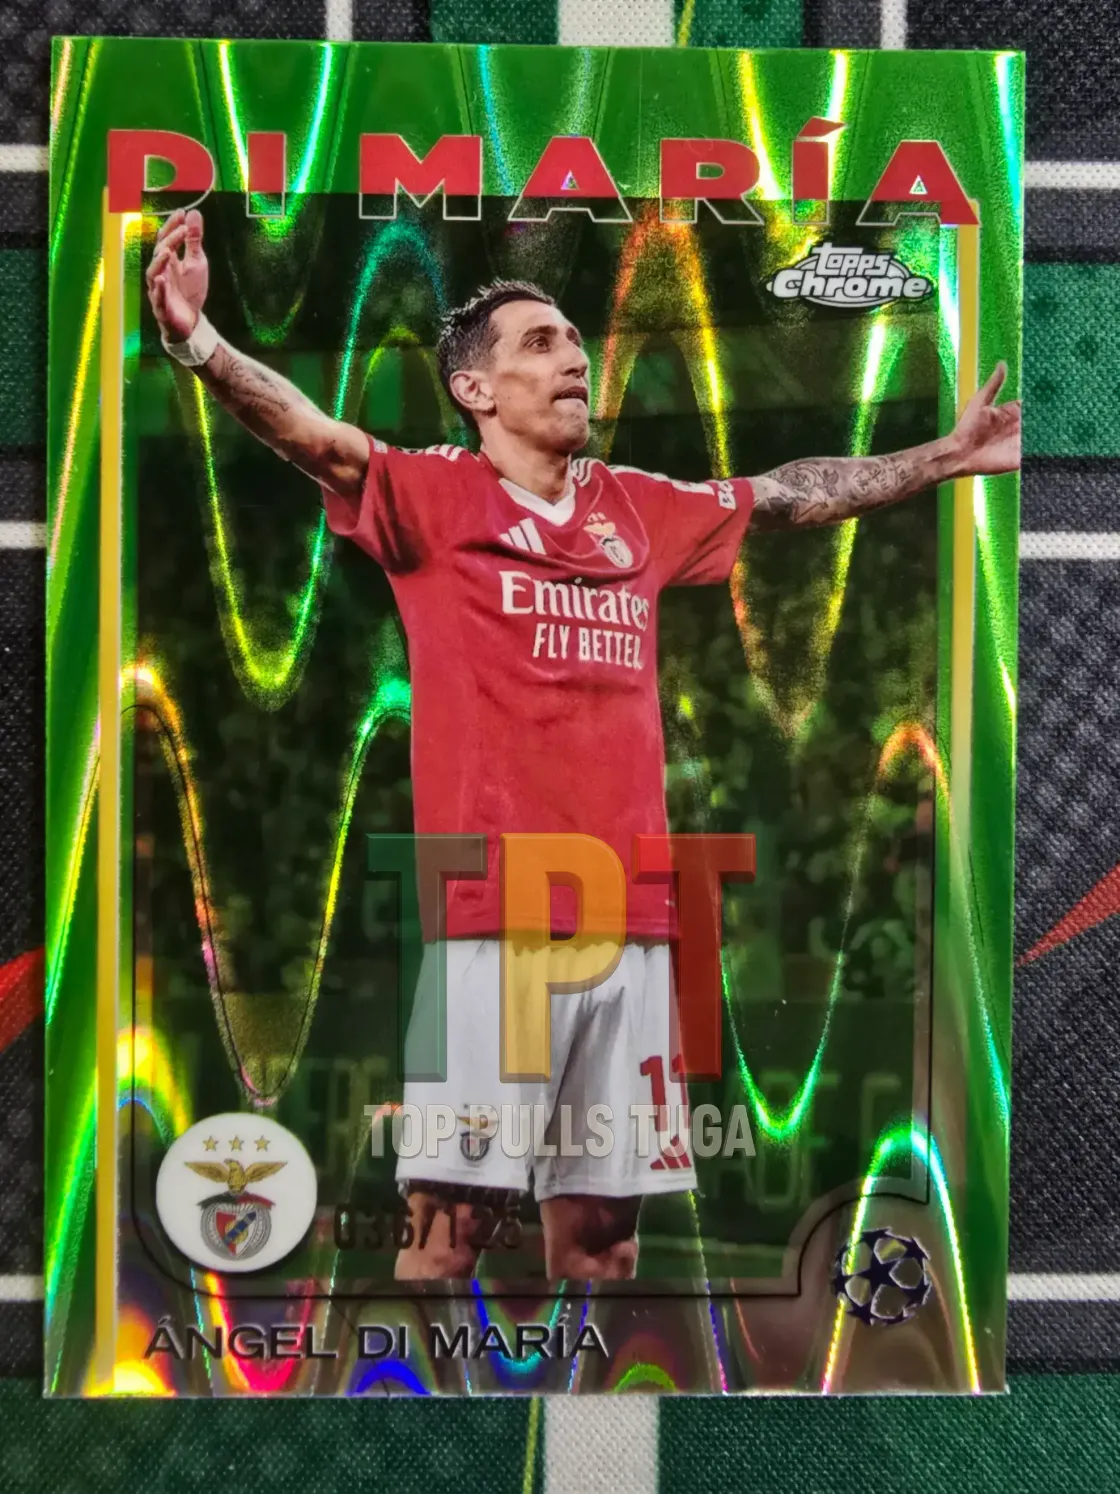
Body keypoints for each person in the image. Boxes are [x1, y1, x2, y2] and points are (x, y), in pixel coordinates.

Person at [146, 207, 1021, 1283]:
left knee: (605, 1240)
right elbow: (311, 435)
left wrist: (943, 457)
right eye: (541, 342)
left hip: (634, 927)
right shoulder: (434, 497)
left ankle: (586, 1378)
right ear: (475, 389)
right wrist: (198, 340)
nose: (575, 357)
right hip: (497, 926)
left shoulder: (634, 508)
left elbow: (788, 495)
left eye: (573, 338)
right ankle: (421, 1386)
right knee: (449, 1229)